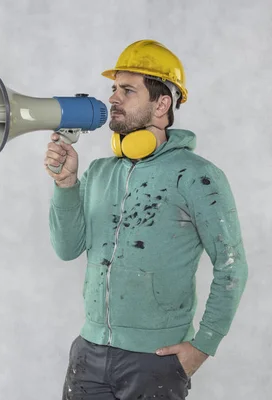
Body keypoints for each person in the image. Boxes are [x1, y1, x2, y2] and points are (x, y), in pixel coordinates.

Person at [44, 39, 248, 399]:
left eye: (127, 90)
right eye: (113, 89)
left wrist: (203, 346)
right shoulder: (100, 171)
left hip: (156, 359)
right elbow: (66, 248)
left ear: (162, 104)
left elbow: (232, 267)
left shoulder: (198, 176)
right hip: (89, 352)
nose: (113, 99)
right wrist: (66, 185)